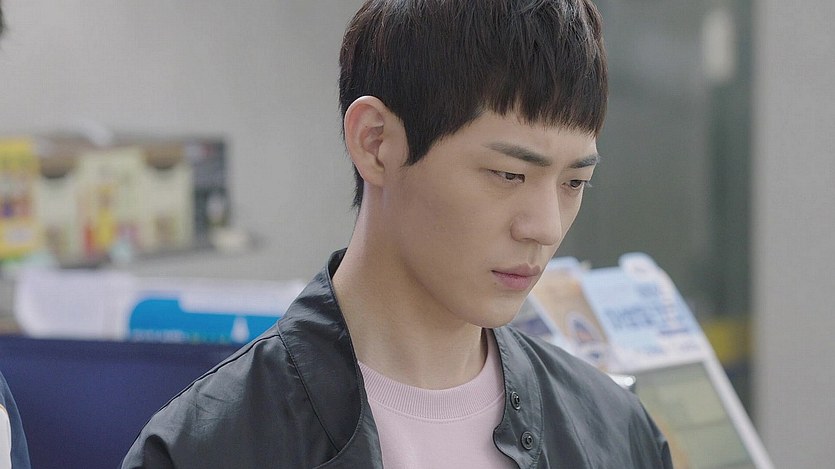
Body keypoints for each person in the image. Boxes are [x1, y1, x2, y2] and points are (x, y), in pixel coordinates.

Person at [124, 0, 672, 467]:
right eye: (508, 174)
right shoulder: (209, 448)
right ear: (376, 143)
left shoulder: (615, 433)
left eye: (575, 183)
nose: (546, 227)